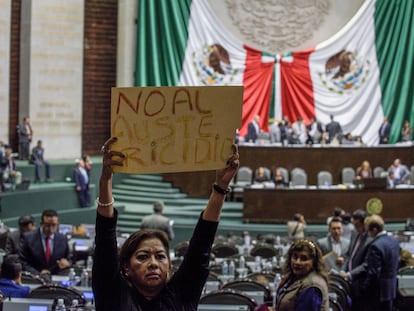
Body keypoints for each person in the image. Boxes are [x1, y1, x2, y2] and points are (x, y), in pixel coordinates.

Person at [92, 137, 239, 310]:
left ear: (169, 265)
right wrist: (106, 181)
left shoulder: (182, 295)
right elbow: (105, 236)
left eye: (160, 256)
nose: (153, 263)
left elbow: (202, 244)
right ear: (126, 267)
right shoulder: (113, 295)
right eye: (143, 257)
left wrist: (221, 188)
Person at [275, 239, 329, 310]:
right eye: (295, 257)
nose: (297, 262)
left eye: (304, 259)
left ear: (313, 262)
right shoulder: (293, 277)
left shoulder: (312, 286)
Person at [360, 215, 400, 311]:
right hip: (391, 289)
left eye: (368, 231)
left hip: (378, 293)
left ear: (374, 230)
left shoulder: (375, 246)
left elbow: (374, 273)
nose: (368, 234)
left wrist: (364, 288)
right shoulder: (394, 241)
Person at [19, 209, 71, 281]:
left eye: (54, 225)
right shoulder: (28, 238)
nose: (51, 229)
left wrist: (66, 263)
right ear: (41, 223)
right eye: (47, 225)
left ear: (57, 223)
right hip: (34, 279)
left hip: (56, 279)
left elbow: (69, 258)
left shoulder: (62, 239)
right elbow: (22, 261)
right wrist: (39, 274)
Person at [340, 209, 372, 311]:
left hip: (361, 284)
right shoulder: (354, 234)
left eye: (357, 225)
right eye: (354, 224)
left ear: (365, 224)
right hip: (350, 283)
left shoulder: (370, 239)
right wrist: (343, 270)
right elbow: (349, 255)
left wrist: (350, 274)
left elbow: (366, 265)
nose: (355, 228)